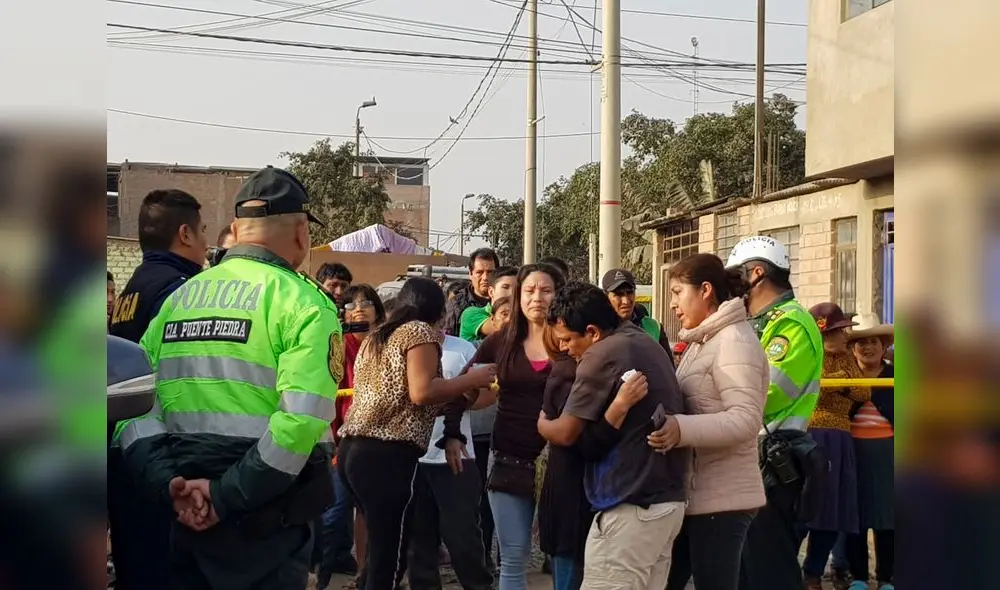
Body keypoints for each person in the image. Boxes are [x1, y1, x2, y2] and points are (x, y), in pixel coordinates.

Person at [119, 166, 341, 590]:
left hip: (184, 516)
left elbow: (134, 406)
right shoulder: (306, 304)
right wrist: (223, 498)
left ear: (237, 229)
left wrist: (170, 485)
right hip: (265, 526)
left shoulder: (178, 300)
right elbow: (299, 423)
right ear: (300, 232)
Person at [337, 277, 497, 590]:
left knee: (382, 552)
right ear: (438, 310)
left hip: (354, 449)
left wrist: (458, 396)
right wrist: (470, 380)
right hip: (386, 454)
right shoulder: (419, 331)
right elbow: (423, 392)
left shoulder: (378, 336)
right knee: (389, 556)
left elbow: (406, 401)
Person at [537, 281, 688, 590]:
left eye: (567, 340)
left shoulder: (604, 351)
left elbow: (566, 433)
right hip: (666, 503)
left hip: (631, 507)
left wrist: (541, 424)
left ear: (592, 332)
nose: (565, 349)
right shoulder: (644, 341)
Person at [645, 254, 768, 590]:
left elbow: (744, 419)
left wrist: (680, 429)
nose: (672, 304)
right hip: (695, 494)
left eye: (676, 292)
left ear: (706, 291)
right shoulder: (705, 342)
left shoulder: (734, 342)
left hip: (723, 498)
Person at [107, 188, 208, 590]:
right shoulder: (179, 290)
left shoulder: (132, 288)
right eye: (202, 233)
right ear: (184, 234)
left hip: (125, 449)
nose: (206, 244)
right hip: (164, 455)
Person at [442, 263, 565, 590]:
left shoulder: (570, 342)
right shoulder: (500, 342)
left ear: (558, 294)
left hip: (565, 463)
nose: (537, 298)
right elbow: (463, 387)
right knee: (513, 558)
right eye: (529, 290)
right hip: (510, 458)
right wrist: (452, 434)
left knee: (568, 556)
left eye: (546, 290)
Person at [723, 236, 825, 590]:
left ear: (757, 273)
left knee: (769, 566)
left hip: (774, 459)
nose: (731, 289)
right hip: (752, 460)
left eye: (735, 279)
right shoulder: (760, 322)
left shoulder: (791, 323)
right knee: (747, 567)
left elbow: (767, 393)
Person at [537, 323, 650, 590]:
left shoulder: (586, 366)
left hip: (583, 496)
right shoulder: (571, 372)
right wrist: (619, 406)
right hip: (575, 496)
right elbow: (577, 439)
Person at [406, 333, 494, 590]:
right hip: (414, 455)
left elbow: (489, 395)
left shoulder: (463, 348)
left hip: (458, 456)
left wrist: (451, 403)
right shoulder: (405, 347)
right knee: (419, 541)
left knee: (463, 536)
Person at [316, 284, 386, 589]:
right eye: (350, 304)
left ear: (378, 310)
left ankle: (366, 574)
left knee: (373, 512)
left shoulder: (388, 342)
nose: (358, 308)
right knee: (335, 513)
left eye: (366, 302)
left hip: (384, 440)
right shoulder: (338, 344)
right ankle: (321, 578)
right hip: (343, 441)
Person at [801, 303, 870, 590]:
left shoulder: (846, 358)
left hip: (840, 435)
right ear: (827, 333)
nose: (846, 335)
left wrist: (839, 385)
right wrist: (840, 385)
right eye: (841, 330)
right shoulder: (809, 355)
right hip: (812, 433)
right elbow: (809, 390)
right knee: (806, 507)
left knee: (833, 511)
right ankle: (786, 567)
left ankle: (814, 572)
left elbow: (862, 391)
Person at [843, 314, 894, 590]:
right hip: (853, 451)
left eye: (873, 341)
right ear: (853, 348)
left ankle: (887, 576)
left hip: (888, 452)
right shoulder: (845, 378)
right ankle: (859, 576)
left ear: (883, 346)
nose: (867, 348)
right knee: (856, 515)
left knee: (889, 516)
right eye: (861, 343)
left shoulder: (895, 376)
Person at [601, 268, 673, 357]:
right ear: (605, 297)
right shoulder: (599, 329)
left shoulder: (654, 327)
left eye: (630, 292)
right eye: (618, 294)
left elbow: (668, 366)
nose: (626, 301)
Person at [444, 248, 500, 336]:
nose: (485, 277)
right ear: (470, 274)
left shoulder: (507, 301)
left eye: (490, 272)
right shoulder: (456, 304)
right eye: (479, 272)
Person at [460, 266, 518, 343]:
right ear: (491, 291)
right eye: (505, 287)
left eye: (517, 289)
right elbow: (504, 329)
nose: (512, 293)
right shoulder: (471, 314)